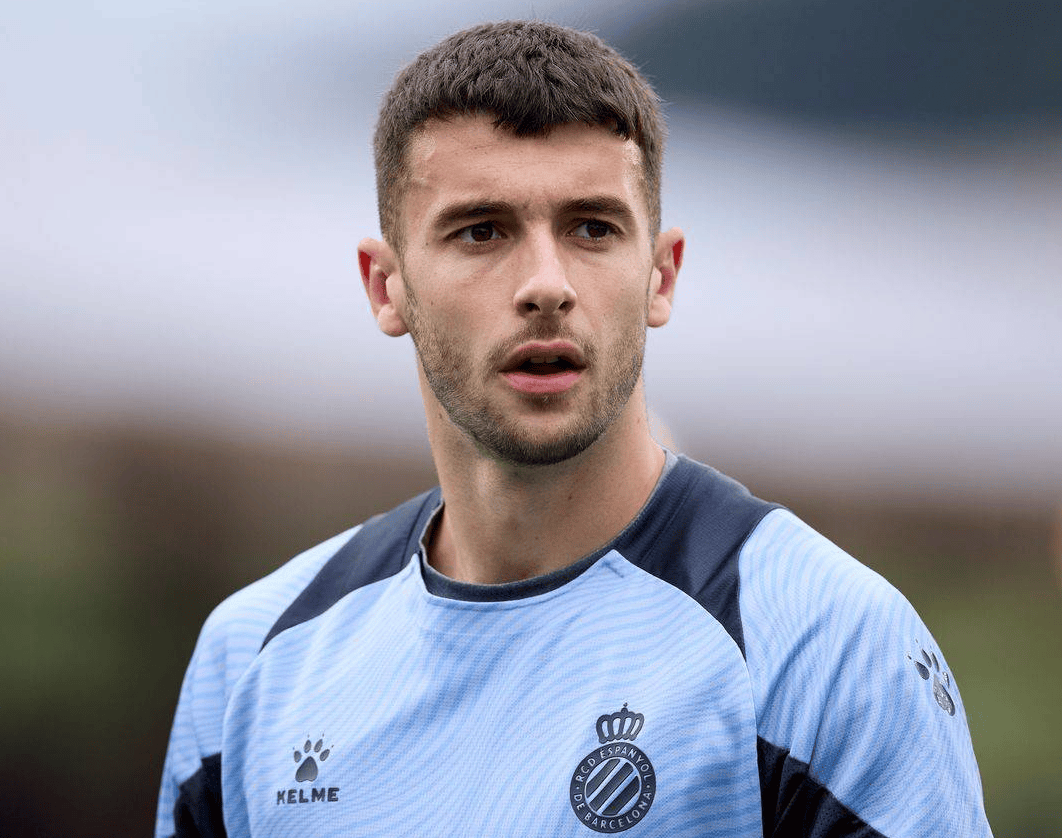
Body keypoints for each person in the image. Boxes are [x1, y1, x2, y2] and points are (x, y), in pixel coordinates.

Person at [155, 21, 992, 837]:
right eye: (482, 231)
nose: (546, 285)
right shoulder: (255, 658)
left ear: (661, 276)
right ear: (387, 287)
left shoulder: (825, 645)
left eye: (592, 228)